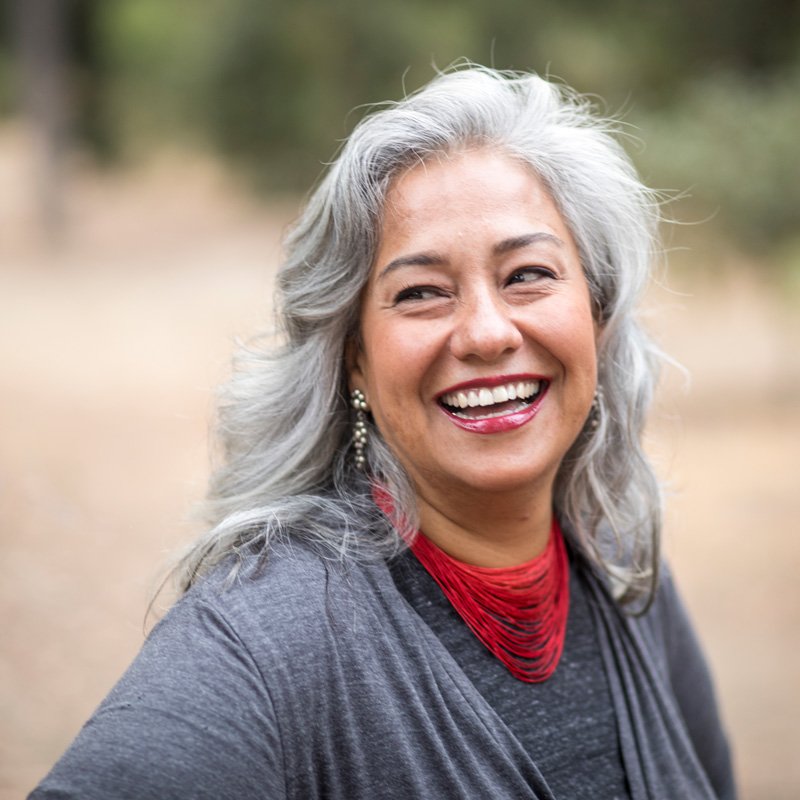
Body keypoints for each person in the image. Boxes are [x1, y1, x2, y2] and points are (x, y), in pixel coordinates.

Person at [30, 65, 736, 799]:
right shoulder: (272, 635)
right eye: (421, 292)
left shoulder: (621, 564)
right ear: (354, 360)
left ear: (598, 315)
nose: (488, 333)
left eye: (527, 274)